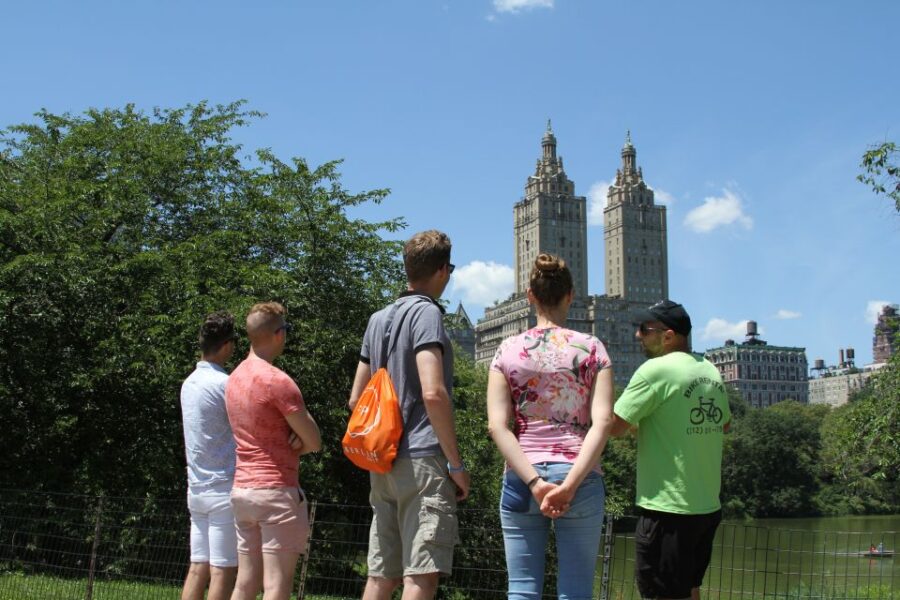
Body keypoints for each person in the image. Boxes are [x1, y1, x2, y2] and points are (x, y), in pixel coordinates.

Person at [348, 230, 470, 600]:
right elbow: (433, 391)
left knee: (382, 576)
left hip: (382, 461)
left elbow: (356, 399)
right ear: (440, 270)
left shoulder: (378, 319)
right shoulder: (427, 313)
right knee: (422, 574)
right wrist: (456, 464)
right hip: (422, 461)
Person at [487, 253, 615, 600]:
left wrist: (535, 483)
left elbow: (499, 426)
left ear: (530, 295)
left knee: (522, 590)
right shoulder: (592, 348)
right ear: (570, 295)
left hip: (521, 477)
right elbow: (602, 422)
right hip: (580, 476)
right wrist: (569, 486)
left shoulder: (506, 350)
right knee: (575, 592)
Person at [610, 300, 731, 600]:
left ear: (668, 336)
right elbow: (724, 425)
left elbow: (613, 427)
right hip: (706, 508)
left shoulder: (655, 370)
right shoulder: (710, 371)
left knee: (660, 593)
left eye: (644, 329)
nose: (638, 335)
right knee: (690, 590)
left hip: (667, 510)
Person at [225, 302, 322, 600]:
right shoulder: (278, 381)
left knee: (244, 583)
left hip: (242, 490)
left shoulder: (233, 379)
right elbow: (315, 440)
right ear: (279, 334)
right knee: (277, 586)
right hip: (276, 491)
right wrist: (298, 439)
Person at [180, 311, 240, 600]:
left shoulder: (188, 384)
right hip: (223, 490)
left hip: (196, 488)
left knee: (197, 567)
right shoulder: (225, 385)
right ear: (227, 345)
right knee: (223, 570)